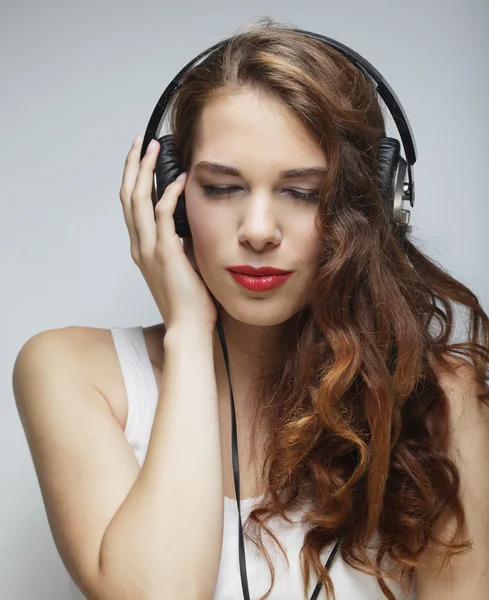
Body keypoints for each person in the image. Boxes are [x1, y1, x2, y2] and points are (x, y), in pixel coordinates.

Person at [12, 18, 489, 600]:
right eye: (222, 187)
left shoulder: (440, 397)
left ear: (375, 205)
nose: (258, 230)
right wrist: (189, 331)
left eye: (303, 191)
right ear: (172, 198)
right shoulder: (71, 372)